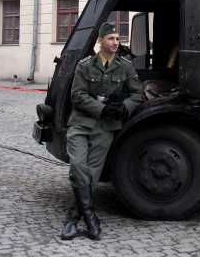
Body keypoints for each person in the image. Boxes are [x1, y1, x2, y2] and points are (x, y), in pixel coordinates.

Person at [60, 21, 145, 240]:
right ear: (100, 41)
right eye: (111, 38)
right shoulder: (85, 65)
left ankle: (73, 218)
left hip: (105, 128)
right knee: (77, 166)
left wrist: (124, 108)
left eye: (118, 39)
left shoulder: (125, 66)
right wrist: (102, 108)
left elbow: (138, 94)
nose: (116, 42)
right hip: (81, 122)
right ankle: (90, 218)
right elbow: (77, 96)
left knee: (92, 173)